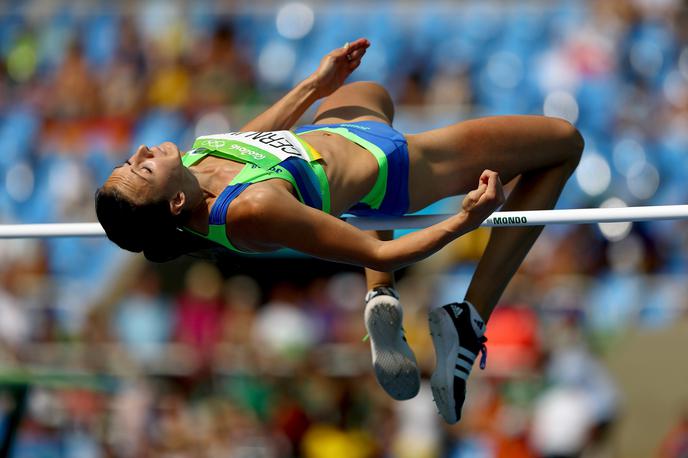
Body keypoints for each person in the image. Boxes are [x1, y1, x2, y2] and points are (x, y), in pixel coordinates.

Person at [95, 38, 583, 424]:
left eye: (127, 161)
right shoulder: (252, 208)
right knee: (564, 141)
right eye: (140, 171)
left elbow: (246, 141)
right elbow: (377, 250)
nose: (139, 154)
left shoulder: (199, 162)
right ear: (175, 202)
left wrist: (316, 85)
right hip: (395, 168)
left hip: (344, 136)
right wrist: (464, 220)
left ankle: (381, 302)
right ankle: (467, 320)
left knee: (369, 91)